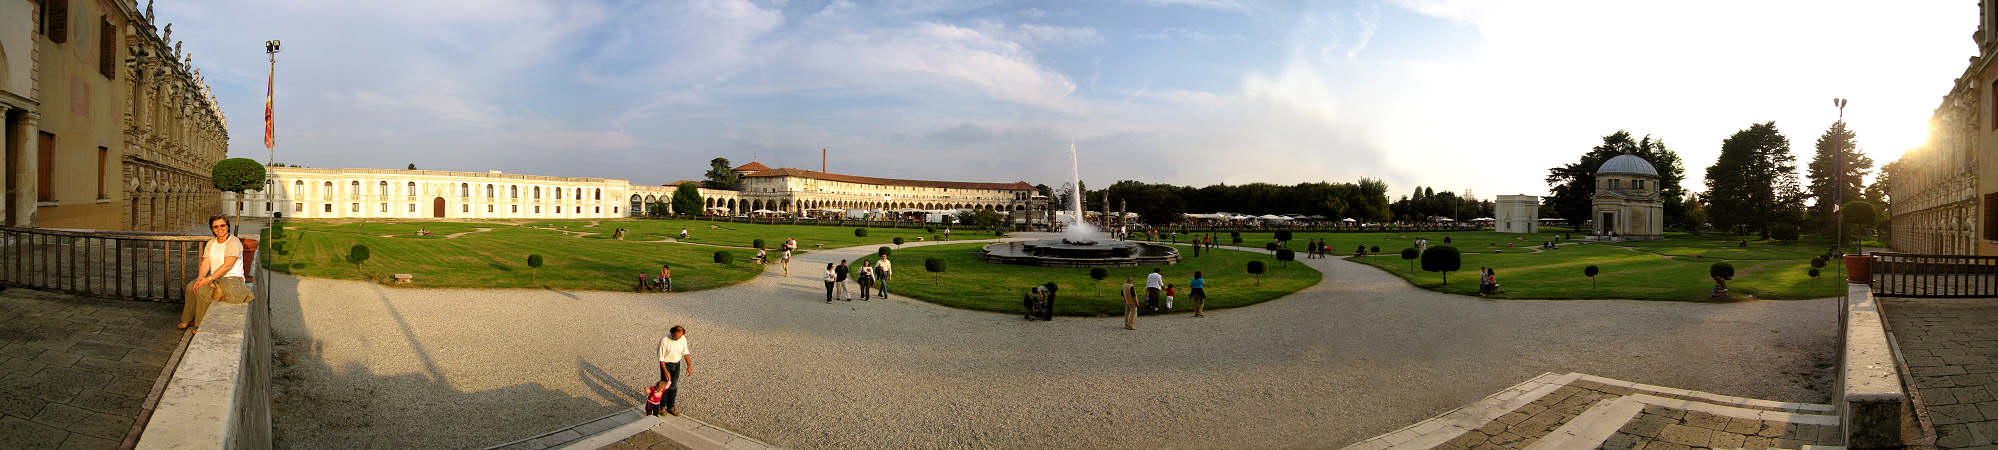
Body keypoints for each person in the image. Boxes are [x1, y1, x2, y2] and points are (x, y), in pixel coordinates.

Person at [180, 216, 254, 331]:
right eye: (216, 226)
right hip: (215, 277)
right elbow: (206, 263)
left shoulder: (233, 242)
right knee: (191, 286)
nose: (219, 228)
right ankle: (187, 319)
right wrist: (200, 279)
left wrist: (207, 280)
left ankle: (200, 325)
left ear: (228, 227)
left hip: (232, 278)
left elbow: (227, 266)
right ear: (212, 229)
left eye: (222, 225)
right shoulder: (211, 243)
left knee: (203, 291)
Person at [656, 325, 693, 416]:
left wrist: (689, 366)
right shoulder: (664, 340)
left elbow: (686, 352)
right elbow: (661, 358)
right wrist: (665, 371)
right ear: (672, 333)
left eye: (679, 337)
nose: (677, 338)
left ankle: (671, 406)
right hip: (666, 364)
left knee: (674, 386)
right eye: (676, 337)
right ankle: (662, 407)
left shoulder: (682, 338)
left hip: (676, 364)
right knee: (664, 386)